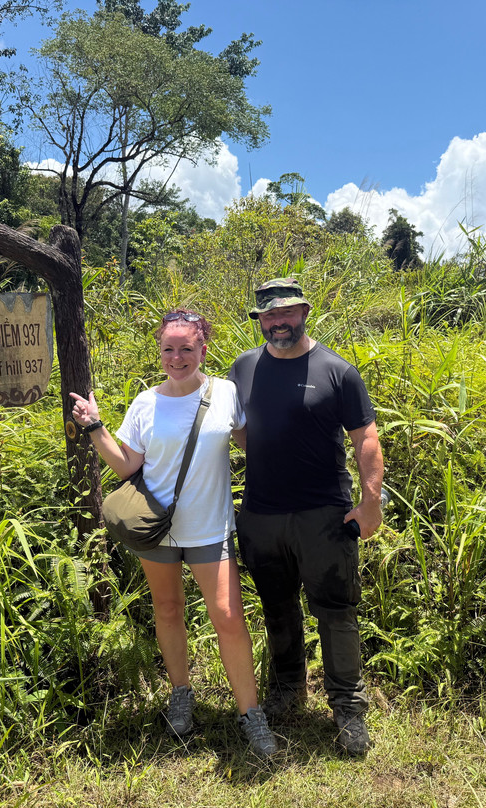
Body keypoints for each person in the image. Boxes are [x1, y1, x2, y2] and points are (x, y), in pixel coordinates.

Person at [69, 309, 278, 758]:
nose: (177, 356)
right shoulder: (146, 402)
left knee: (227, 617)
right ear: (159, 351)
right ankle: (181, 693)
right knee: (167, 609)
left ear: (204, 348)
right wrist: (93, 425)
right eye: (169, 348)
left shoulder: (225, 393)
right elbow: (127, 465)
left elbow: (252, 444)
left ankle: (251, 713)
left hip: (210, 527)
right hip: (157, 528)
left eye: (187, 348)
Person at [228, 278, 384, 756]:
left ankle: (349, 710)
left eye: (286, 313)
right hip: (262, 513)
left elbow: (367, 440)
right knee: (277, 607)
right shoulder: (243, 367)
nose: (278, 323)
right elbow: (238, 431)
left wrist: (371, 503)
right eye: (268, 317)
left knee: (336, 613)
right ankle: (288, 689)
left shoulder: (337, 371)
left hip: (325, 515)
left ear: (304, 312)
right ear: (260, 320)